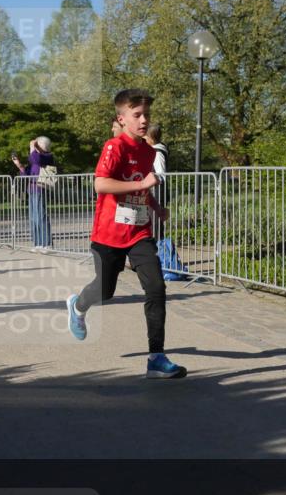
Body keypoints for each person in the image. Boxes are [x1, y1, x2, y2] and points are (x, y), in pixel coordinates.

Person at [65, 89, 187, 379]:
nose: (144, 120)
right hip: (108, 234)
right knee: (106, 291)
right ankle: (78, 306)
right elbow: (101, 185)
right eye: (137, 115)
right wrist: (140, 185)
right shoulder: (114, 147)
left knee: (156, 287)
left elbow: (141, 185)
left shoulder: (148, 151)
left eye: (147, 115)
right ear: (122, 118)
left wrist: (155, 205)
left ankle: (156, 357)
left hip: (139, 232)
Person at [12, 136, 56, 249]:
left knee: (41, 216)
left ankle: (47, 243)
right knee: (33, 218)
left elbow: (36, 159)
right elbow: (26, 174)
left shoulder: (47, 156)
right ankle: (37, 243)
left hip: (40, 188)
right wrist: (19, 165)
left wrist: (33, 146)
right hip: (31, 189)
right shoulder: (35, 158)